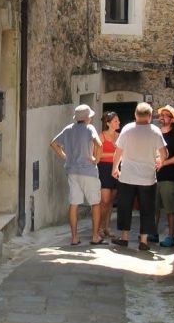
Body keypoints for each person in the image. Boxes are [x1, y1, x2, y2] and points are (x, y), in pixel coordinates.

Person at [111, 102, 167, 252]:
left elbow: (118, 152)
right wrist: (161, 162)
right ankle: (143, 240)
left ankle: (124, 237)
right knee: (147, 209)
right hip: (147, 178)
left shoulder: (127, 129)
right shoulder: (155, 131)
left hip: (127, 176)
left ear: (135, 115)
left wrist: (115, 167)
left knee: (125, 207)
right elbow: (164, 153)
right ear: (150, 116)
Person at [50, 103, 103, 246]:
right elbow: (99, 144)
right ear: (87, 118)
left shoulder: (68, 129)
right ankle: (95, 236)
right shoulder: (89, 128)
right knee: (95, 203)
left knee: (74, 204)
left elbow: (53, 144)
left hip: (72, 171)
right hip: (88, 171)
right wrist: (96, 159)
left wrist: (66, 157)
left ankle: (74, 238)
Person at [150, 104, 174, 248]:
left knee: (170, 208)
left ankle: (171, 236)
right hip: (153, 176)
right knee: (153, 207)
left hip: (169, 177)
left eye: (165, 115)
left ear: (172, 119)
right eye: (161, 115)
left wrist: (164, 163)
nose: (161, 117)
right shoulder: (156, 135)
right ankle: (153, 233)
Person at [97, 110, 121, 240]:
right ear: (108, 123)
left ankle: (107, 227)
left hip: (116, 168)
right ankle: (99, 228)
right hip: (104, 169)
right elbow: (97, 155)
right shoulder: (101, 136)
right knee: (104, 201)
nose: (118, 122)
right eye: (115, 121)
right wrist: (115, 155)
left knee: (111, 200)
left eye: (118, 120)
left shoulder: (120, 136)